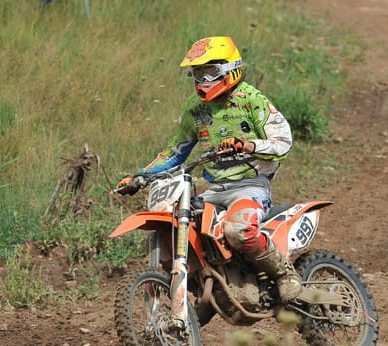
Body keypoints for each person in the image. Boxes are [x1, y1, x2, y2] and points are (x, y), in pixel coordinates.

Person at [115, 35, 301, 301]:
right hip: (214, 189)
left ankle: (284, 273)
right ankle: (202, 288)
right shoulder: (195, 110)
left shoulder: (251, 99)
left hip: (251, 185)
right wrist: (140, 176)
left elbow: (283, 141)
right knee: (178, 227)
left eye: (210, 72)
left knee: (238, 230)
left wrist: (247, 145)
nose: (203, 81)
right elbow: (175, 150)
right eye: (198, 74)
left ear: (229, 68)